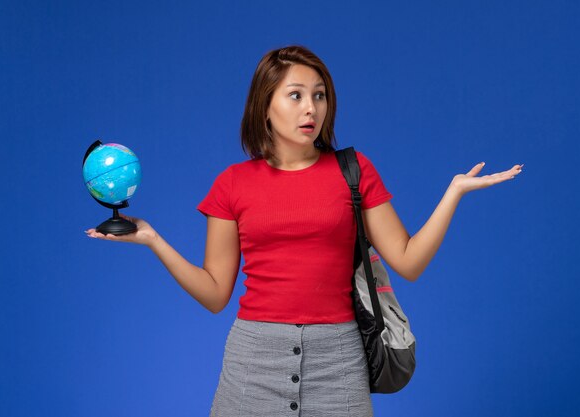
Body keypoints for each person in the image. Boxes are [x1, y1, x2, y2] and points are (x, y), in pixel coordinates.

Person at [85, 45, 523, 416]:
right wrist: (153, 240)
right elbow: (216, 292)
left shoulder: (354, 170)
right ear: (265, 105)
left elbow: (409, 261)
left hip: (339, 362)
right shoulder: (232, 184)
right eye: (295, 95)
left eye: (319, 95)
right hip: (252, 366)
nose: (310, 108)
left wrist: (453, 193)